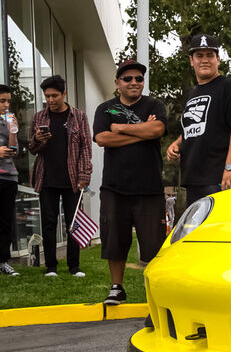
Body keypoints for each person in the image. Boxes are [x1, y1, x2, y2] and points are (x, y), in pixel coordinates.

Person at [92, 60, 168, 304]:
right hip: (115, 187)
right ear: (117, 83)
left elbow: (157, 130)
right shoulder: (105, 109)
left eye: (138, 79)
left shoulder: (154, 104)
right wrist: (140, 132)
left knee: (154, 243)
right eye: (128, 79)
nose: (134, 82)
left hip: (150, 187)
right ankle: (117, 287)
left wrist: (121, 128)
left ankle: (155, 291)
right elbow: (103, 138)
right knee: (114, 239)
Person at [167, 34, 231, 206]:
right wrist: (176, 143)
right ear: (191, 61)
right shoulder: (193, 93)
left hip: (221, 178)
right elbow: (196, 127)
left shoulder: (229, 87)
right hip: (195, 179)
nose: (204, 60)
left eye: (209, 55)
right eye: (199, 56)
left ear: (218, 60)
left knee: (225, 231)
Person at [27, 75, 92, 277]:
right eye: (47, 96)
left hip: (73, 179)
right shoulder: (39, 117)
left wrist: (84, 175)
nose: (51, 100)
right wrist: (38, 139)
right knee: (49, 222)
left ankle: (74, 267)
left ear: (64, 93)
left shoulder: (79, 116)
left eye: (55, 95)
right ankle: (51, 267)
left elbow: (86, 148)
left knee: (73, 223)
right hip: (46, 179)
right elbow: (31, 148)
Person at [0, 84, 19, 276]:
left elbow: (15, 152)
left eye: (8, 101)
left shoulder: (8, 120)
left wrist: (12, 131)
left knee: (6, 221)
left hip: (9, 177)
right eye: (2, 101)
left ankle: (3, 261)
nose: (6, 105)